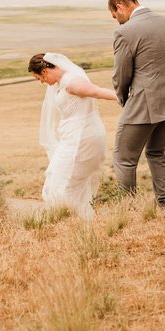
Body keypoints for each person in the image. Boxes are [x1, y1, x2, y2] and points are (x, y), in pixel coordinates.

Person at [107, 0, 165, 209]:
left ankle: (127, 210)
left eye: (116, 16)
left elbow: (121, 75)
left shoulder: (125, 33)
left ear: (120, 6)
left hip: (142, 103)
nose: (118, 22)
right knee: (156, 152)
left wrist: (123, 98)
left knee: (124, 158)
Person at [29, 52, 117, 219]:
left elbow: (95, 91)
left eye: (39, 78)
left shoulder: (71, 82)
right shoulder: (61, 83)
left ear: (45, 71)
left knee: (63, 181)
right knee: (63, 181)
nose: (41, 82)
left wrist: (124, 98)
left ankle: (69, 219)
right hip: (73, 136)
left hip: (81, 137)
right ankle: (79, 220)